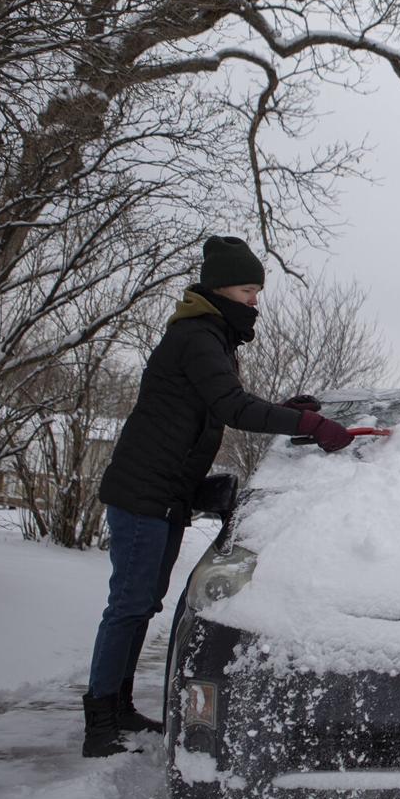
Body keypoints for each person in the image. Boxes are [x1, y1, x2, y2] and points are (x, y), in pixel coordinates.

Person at [82, 236, 353, 758]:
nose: (256, 299)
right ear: (220, 287)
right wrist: (307, 422)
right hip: (144, 495)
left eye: (258, 290)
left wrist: (281, 408)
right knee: (129, 606)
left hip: (165, 496)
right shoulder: (196, 335)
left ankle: (116, 709)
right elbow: (231, 407)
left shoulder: (213, 337)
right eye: (249, 288)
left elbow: (220, 404)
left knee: (141, 605)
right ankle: (100, 722)